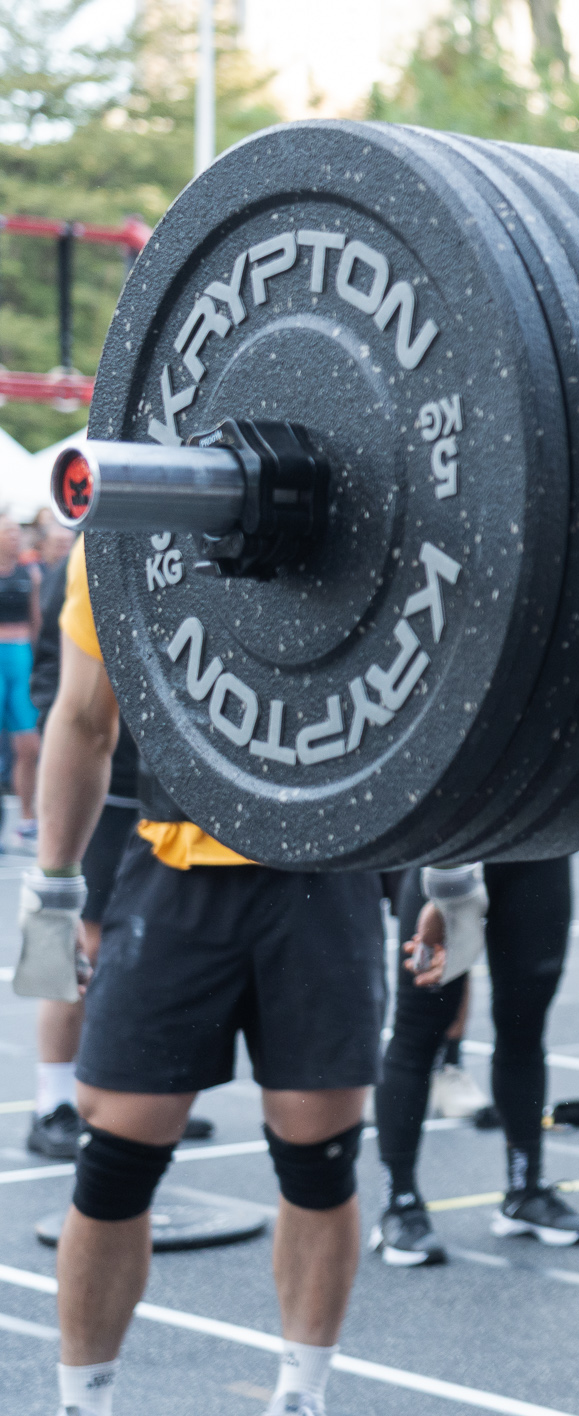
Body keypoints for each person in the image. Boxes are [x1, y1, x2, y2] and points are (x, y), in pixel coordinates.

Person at [38, 536, 384, 1416]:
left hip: (327, 866)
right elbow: (84, 717)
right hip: (176, 861)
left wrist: (452, 875)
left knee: (319, 1153)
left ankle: (301, 1396)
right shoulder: (121, 532)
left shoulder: (372, 506)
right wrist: (50, 885)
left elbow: (431, 708)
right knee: (116, 1153)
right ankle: (85, 1401)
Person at [19, 546, 168, 1162]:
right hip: (103, 790)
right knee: (83, 945)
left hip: (166, 789)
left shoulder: (179, 549)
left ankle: (132, 1093)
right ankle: (53, 1101)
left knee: (148, 951)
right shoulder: (88, 558)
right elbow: (57, 685)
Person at [372, 858, 579, 1265]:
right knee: (418, 1030)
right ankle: (398, 1203)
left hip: (538, 849)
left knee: (525, 1028)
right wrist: (446, 892)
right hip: (447, 856)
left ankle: (524, 1192)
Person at [0, 518, 44, 845]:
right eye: (7, 533)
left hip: (22, 658)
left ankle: (27, 817)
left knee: (29, 746)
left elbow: (37, 621)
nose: (14, 538)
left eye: (16, 533)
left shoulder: (31, 574)